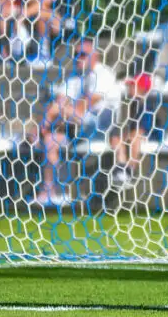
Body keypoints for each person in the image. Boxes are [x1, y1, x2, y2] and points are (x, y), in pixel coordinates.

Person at [34, 38, 119, 207]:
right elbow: (60, 101)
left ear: (95, 56)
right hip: (74, 128)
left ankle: (41, 130)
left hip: (97, 129)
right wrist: (52, 118)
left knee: (54, 117)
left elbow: (85, 106)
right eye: (76, 54)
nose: (78, 58)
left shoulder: (103, 74)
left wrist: (59, 112)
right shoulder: (74, 78)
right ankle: (51, 192)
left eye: (83, 54)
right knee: (50, 140)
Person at [110, 72, 155, 186]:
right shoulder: (134, 105)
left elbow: (142, 130)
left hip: (149, 135)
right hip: (136, 134)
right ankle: (121, 166)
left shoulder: (147, 106)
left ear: (141, 89)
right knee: (117, 134)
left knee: (135, 137)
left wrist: (128, 136)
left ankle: (130, 169)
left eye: (133, 86)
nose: (129, 88)